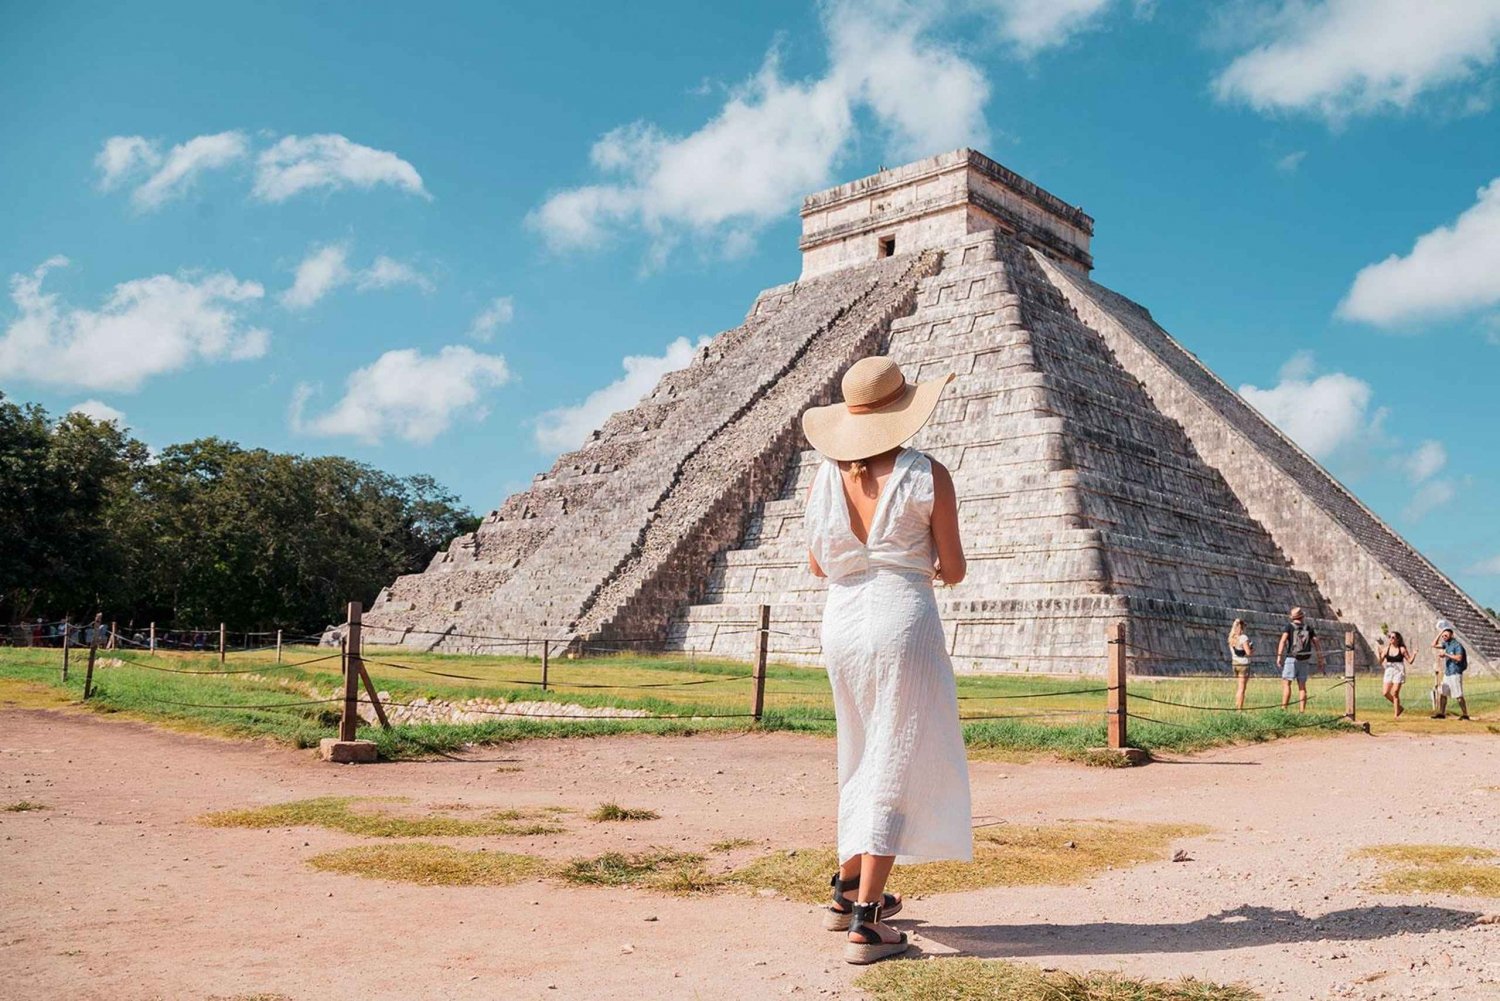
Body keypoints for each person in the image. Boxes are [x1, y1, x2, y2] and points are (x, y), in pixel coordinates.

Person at [802, 356, 971, 965]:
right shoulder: (928, 474)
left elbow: (820, 563)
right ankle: (869, 924)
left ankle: (847, 891)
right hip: (902, 617)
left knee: (859, 749)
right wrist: (911, 561)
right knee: (896, 755)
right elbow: (952, 568)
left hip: (842, 622)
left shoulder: (824, 479)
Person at [1275, 607, 1323, 712]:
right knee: (1302, 687)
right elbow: (1316, 643)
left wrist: (1279, 656)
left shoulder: (1289, 627)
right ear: (1302, 616)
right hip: (1304, 660)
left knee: (1287, 684)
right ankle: (1302, 711)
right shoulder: (1308, 628)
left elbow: (1283, 641)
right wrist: (1320, 659)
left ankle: (1284, 709)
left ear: (1293, 617)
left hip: (1291, 659)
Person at [1430, 620, 1470, 720]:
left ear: (1451, 634)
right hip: (1448, 673)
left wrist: (1446, 654)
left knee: (1458, 695)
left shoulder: (1457, 645)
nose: (1444, 637)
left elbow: (1459, 658)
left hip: (1455, 672)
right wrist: (1440, 632)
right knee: (1443, 693)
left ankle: (1465, 714)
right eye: (1443, 636)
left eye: (1446, 635)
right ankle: (1442, 713)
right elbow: (1433, 644)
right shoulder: (1446, 644)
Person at [1378, 630, 1414, 719]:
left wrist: (1414, 654)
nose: (1391, 639)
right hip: (1389, 670)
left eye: (1393, 637)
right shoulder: (1386, 649)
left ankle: (1396, 714)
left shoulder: (1401, 649)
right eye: (1390, 637)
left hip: (1399, 671)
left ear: (1398, 639)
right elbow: (1380, 662)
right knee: (1385, 692)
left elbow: (1410, 661)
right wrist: (1379, 654)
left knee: (1395, 692)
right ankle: (1399, 708)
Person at [1228, 619, 1254, 709]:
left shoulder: (1231, 638)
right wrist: (1252, 649)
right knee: (1242, 689)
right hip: (1243, 664)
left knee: (1239, 687)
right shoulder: (1243, 638)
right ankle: (1239, 709)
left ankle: (1237, 705)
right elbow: (1248, 652)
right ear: (1242, 627)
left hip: (1235, 663)